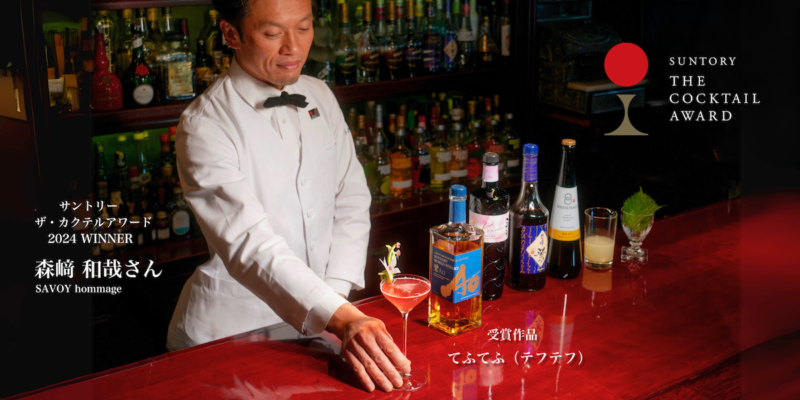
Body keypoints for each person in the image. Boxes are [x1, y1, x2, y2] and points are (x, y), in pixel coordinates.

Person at [165, 0, 409, 392]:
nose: (293, 47)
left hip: (321, 330)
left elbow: (351, 198)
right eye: (273, 33)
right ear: (231, 34)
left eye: (304, 28)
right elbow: (248, 242)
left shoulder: (319, 95)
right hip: (232, 336)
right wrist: (338, 316)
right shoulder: (204, 124)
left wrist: (332, 303)